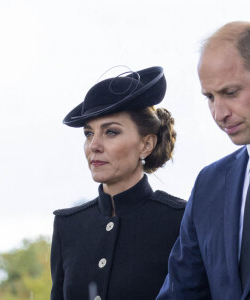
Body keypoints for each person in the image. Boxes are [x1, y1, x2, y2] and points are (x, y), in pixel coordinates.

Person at [50, 66, 186, 300]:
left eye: (111, 132)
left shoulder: (181, 220)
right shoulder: (67, 226)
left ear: (146, 145)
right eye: (89, 133)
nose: (94, 145)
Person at [157, 21, 250, 300]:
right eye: (210, 97)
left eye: (230, 93)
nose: (219, 113)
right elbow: (182, 291)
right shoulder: (209, 185)